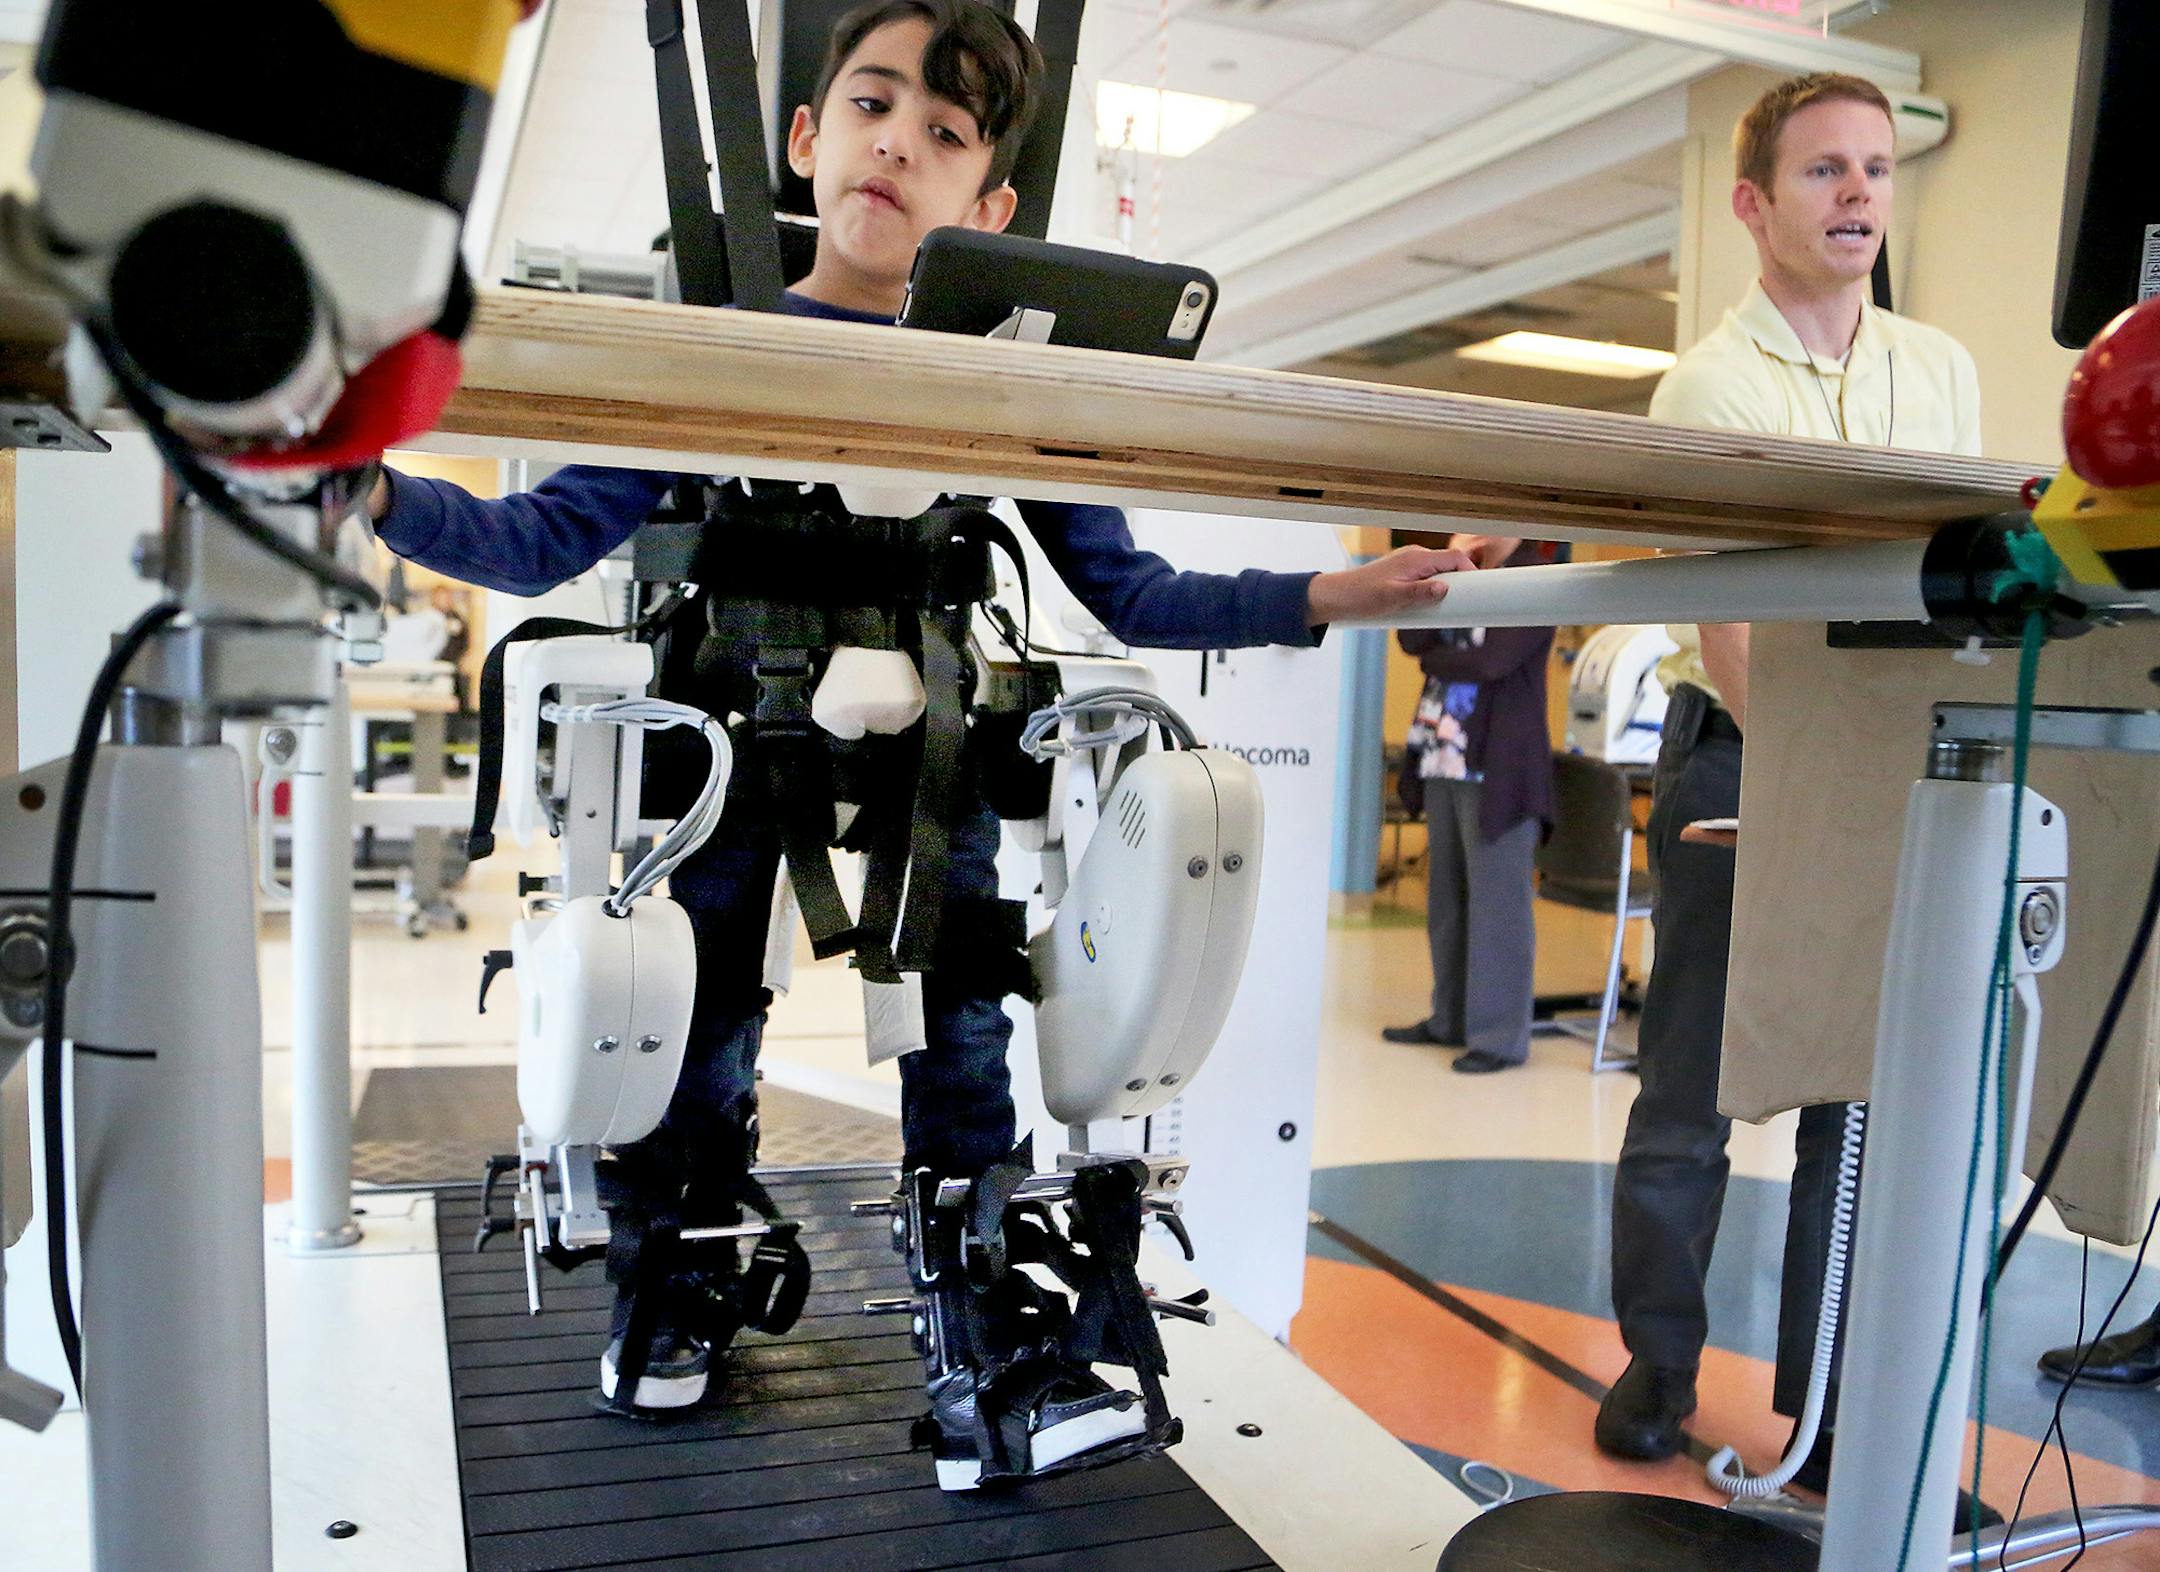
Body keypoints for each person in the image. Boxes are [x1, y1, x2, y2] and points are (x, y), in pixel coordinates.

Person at [364, 0, 1472, 1467]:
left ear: (989, 207)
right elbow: (534, 533)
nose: (902, 143)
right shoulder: (719, 342)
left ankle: (988, 1338)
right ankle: (672, 1286)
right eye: (875, 107)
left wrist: (1331, 590)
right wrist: (373, 492)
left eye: (945, 135)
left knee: (965, 1047)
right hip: (735, 746)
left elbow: (1133, 587)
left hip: (932, 761)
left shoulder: (1006, 379)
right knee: (704, 1030)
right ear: (809, 140)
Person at [1596, 72, 1982, 1485]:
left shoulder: (1938, 370)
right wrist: (1814, 788)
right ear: (1755, 202)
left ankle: (1823, 1404)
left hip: (1896, 764)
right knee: (1692, 1096)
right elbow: (1730, 622)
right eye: (1826, 172)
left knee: (1852, 1102)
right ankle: (1658, 1366)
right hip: (1742, 749)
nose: (1862, 196)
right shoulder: (1710, 381)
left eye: (1878, 169)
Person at [1384, 534, 1562, 1074]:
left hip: (1499, 767)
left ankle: (1499, 1038)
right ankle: (1450, 1019)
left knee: (1499, 907)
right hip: (1444, 756)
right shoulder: (1462, 577)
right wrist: (1452, 571)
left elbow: (1492, 662)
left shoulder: (1540, 580)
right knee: (1448, 899)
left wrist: (1440, 658)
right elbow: (1411, 642)